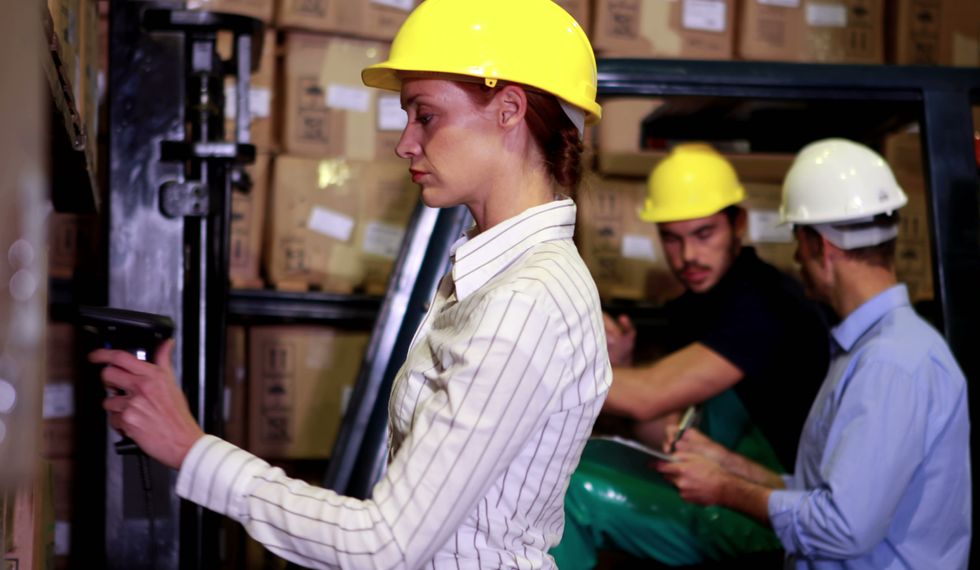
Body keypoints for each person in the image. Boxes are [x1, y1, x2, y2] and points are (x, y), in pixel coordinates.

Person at [90, 1, 612, 568]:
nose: (405, 142)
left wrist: (192, 452)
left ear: (509, 109)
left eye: (426, 115)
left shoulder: (523, 303)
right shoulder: (497, 279)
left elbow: (382, 545)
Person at [657, 138, 972, 569]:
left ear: (820, 247)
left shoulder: (890, 364)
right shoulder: (873, 351)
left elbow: (842, 527)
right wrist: (728, 465)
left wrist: (724, 489)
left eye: (798, 240)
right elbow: (826, 493)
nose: (795, 257)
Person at [552, 144, 832, 568]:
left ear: (738, 223)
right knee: (571, 466)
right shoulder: (695, 307)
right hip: (712, 488)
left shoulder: (764, 304)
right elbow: (669, 435)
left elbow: (648, 396)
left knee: (571, 494)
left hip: (764, 511)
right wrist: (620, 367)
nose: (688, 257)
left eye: (704, 235)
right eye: (672, 238)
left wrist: (536, 363)